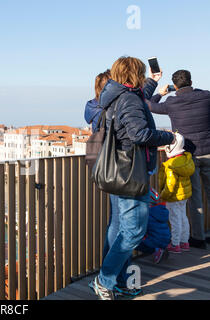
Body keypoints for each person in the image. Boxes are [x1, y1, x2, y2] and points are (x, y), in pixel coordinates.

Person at [89, 56, 175, 300]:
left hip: (119, 172)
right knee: (133, 232)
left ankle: (115, 281)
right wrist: (171, 137)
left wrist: (152, 81)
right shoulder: (128, 99)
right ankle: (104, 280)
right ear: (134, 74)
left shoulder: (115, 95)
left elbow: (135, 100)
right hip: (131, 174)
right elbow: (139, 133)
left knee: (118, 229)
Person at [147, 70, 210, 248]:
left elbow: (149, 105)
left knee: (195, 198)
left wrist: (160, 93)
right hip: (209, 151)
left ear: (175, 86)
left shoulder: (172, 102)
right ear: (191, 81)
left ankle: (198, 238)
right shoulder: (206, 96)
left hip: (188, 157)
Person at [158, 132, 195, 253]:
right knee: (183, 217)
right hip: (183, 195)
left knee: (174, 219)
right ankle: (184, 242)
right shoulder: (186, 159)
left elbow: (170, 185)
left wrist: (163, 196)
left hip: (173, 197)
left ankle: (175, 244)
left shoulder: (171, 165)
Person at [135, 188, 171, 264]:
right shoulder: (160, 210)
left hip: (156, 241)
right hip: (165, 240)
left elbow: (141, 228)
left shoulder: (148, 214)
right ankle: (161, 249)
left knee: (134, 241)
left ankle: (157, 250)